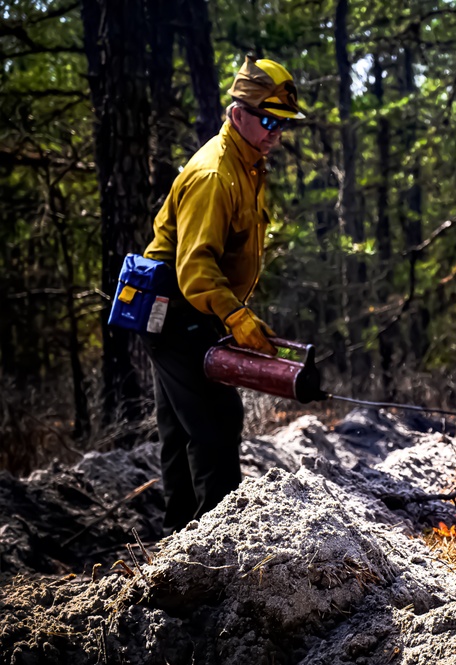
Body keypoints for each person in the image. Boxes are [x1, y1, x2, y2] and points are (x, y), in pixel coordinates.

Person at [143, 56, 305, 535]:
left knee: (180, 429)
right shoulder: (215, 174)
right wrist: (235, 317)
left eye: (283, 124)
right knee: (216, 423)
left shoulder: (246, 164)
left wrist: (231, 314)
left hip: (195, 308)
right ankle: (218, 549)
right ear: (238, 115)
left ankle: (179, 544)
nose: (276, 132)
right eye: (268, 120)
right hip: (175, 308)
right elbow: (195, 266)